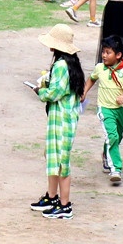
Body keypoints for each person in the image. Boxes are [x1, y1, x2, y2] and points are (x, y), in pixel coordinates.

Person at [29, 24, 84, 219]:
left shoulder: (61, 66)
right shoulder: (69, 64)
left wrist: (40, 91)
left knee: (61, 163)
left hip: (62, 120)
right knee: (52, 156)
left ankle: (65, 205)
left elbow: (54, 93)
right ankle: (52, 197)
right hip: (61, 118)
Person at [83, 35, 123, 184]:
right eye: (103, 52)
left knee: (117, 137)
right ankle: (115, 169)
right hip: (105, 108)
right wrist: (84, 92)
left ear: (118, 55)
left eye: (108, 52)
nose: (104, 55)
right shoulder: (99, 68)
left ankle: (105, 153)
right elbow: (92, 79)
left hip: (121, 110)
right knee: (112, 136)